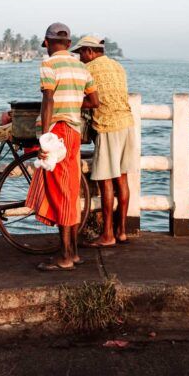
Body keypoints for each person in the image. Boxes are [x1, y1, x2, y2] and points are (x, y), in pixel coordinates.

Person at [26, 22, 99, 271]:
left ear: (47, 43)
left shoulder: (48, 64)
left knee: (60, 193)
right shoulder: (80, 67)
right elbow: (94, 101)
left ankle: (65, 256)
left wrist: (45, 136)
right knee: (69, 189)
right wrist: (73, 105)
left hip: (57, 132)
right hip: (74, 133)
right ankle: (73, 253)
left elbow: (47, 99)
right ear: (69, 44)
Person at [72, 35, 135, 247]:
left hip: (108, 126)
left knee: (106, 181)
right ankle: (122, 231)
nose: (80, 57)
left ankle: (107, 235)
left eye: (81, 52)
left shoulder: (88, 70)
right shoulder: (118, 66)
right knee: (122, 179)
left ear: (90, 51)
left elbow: (86, 99)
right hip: (126, 123)